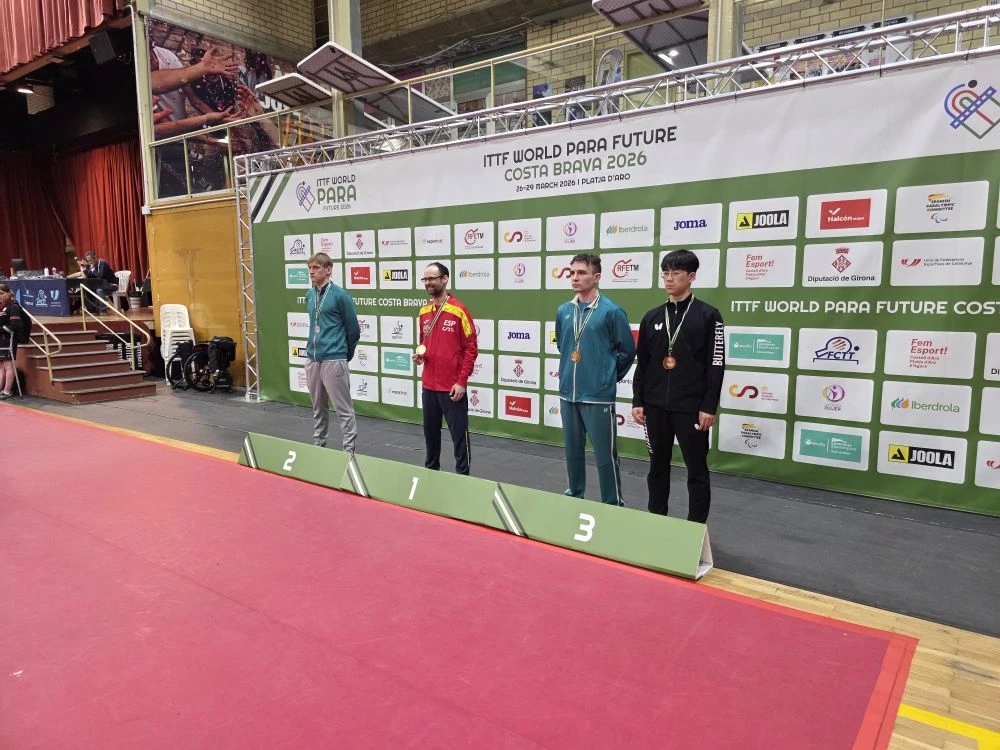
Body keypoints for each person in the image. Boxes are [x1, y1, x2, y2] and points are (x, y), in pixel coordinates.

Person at [631, 249, 725, 524]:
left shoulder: (709, 315)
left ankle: (695, 529)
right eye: (665, 274)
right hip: (655, 407)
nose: (669, 279)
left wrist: (709, 406)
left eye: (676, 273)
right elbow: (643, 363)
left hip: (691, 408)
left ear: (691, 276)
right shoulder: (652, 317)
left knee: (696, 471)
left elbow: (716, 364)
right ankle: (657, 522)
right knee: (657, 468)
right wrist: (638, 400)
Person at [555, 253, 636, 506]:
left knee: (605, 456)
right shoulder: (564, 310)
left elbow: (627, 351)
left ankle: (613, 504)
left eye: (581, 273)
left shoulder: (611, 311)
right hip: (568, 394)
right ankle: (574, 495)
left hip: (598, 397)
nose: (575, 278)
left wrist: (606, 378)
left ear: (596, 276)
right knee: (572, 452)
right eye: (572, 273)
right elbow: (563, 346)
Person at [412, 263, 478, 475]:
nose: (428, 283)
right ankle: (431, 473)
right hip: (429, 386)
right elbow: (424, 342)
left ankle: (463, 478)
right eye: (425, 279)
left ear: (445, 279)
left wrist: (461, 382)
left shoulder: (459, 310)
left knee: (459, 437)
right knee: (430, 435)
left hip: (451, 388)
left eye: (432, 278)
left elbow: (471, 349)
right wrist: (421, 356)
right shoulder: (424, 311)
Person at [305, 252, 360, 454]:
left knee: (343, 410)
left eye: (316, 267)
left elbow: (353, 330)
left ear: (328, 270)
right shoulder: (310, 295)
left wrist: (344, 354)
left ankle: (349, 454)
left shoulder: (340, 295)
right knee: (318, 409)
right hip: (313, 359)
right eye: (310, 268)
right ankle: (319, 449)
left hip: (334, 358)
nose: (311, 272)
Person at [0, 283, 25, 400]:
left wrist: (1, 329)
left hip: (8, 340)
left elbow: (15, 326)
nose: (0, 296)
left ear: (9, 293)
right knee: (1, 366)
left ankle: (7, 391)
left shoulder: (13, 307)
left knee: (8, 366)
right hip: (1, 340)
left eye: (1, 293)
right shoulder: (3, 307)